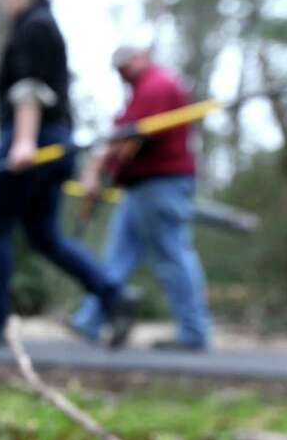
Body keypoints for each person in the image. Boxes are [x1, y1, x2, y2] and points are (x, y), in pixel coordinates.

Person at [0, 0, 134, 346]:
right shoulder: (44, 25)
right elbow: (41, 97)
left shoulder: (34, 26)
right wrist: (3, 138)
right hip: (54, 139)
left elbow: (31, 89)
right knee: (45, 236)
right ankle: (114, 295)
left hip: (37, 140)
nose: (3, 2)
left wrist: (21, 141)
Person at [70, 47, 212, 351]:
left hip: (161, 184)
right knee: (118, 256)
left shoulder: (156, 85)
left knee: (172, 253)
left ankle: (193, 332)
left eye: (126, 65)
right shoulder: (140, 91)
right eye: (118, 69)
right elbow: (122, 136)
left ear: (142, 58)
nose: (123, 73)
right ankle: (90, 321)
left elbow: (128, 138)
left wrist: (97, 168)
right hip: (138, 186)